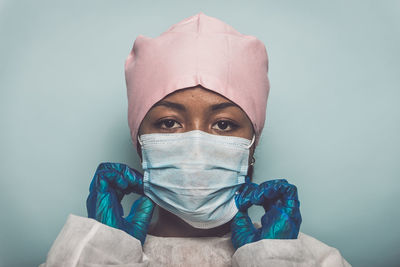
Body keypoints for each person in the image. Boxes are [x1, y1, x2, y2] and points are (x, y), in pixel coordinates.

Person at [40, 12, 351, 267]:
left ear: (251, 145)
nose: (196, 147)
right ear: (140, 142)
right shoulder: (80, 256)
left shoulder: (319, 261)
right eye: (169, 122)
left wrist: (275, 260)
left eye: (225, 124)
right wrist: (102, 252)